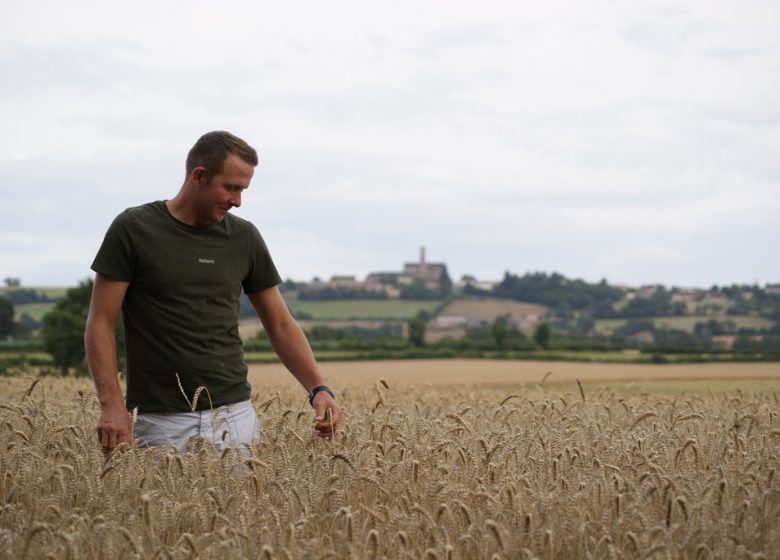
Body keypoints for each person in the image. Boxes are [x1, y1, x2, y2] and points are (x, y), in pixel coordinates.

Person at [84, 131, 341, 453]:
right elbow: (100, 322)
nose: (238, 200)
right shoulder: (134, 228)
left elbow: (280, 324)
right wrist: (111, 406)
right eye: (230, 187)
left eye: (243, 189)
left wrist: (318, 388)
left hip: (235, 416)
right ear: (199, 176)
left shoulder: (244, 238)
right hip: (159, 420)